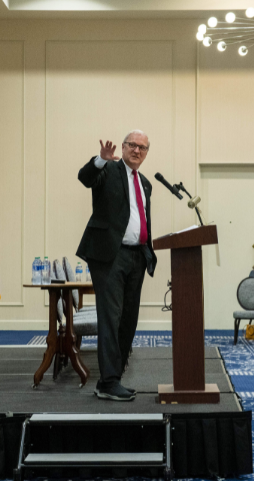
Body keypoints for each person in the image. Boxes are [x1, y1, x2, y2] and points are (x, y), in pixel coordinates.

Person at [77, 131, 157, 401]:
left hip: (137, 256)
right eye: (132, 145)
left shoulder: (145, 183)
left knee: (128, 320)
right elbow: (85, 178)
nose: (137, 150)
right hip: (110, 255)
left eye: (142, 147)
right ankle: (109, 381)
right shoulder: (108, 170)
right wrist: (99, 160)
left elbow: (141, 219)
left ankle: (112, 379)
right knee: (110, 319)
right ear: (122, 148)